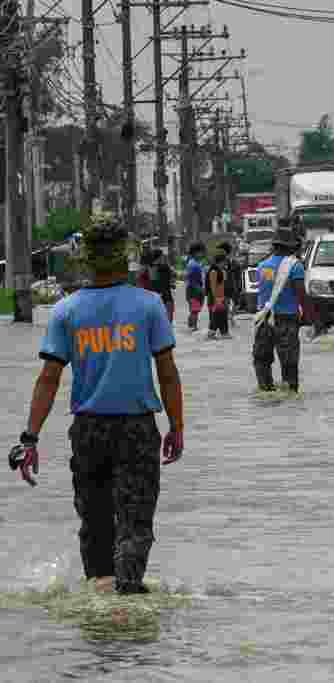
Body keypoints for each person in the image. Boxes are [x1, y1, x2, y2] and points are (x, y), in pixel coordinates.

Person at [9, 214, 184, 594]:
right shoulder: (150, 305)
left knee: (96, 523)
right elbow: (167, 374)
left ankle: (101, 610)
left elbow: (48, 380)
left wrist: (30, 438)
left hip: (88, 431)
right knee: (135, 522)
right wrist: (177, 426)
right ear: (127, 257)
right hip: (138, 429)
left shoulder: (67, 310)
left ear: (85, 258)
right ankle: (128, 598)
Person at [253, 230, 306, 392]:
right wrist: (310, 316)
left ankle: (265, 388)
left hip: (264, 319)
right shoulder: (295, 266)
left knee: (262, 358)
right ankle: (290, 391)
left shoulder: (262, 266)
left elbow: (261, 293)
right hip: (287, 319)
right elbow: (301, 294)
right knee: (289, 361)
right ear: (290, 247)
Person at [205, 249, 231, 339]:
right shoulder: (213, 272)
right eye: (224, 262)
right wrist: (217, 299)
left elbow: (223, 284)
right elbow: (213, 287)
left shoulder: (221, 271)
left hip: (221, 297)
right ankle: (211, 333)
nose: (225, 264)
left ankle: (224, 332)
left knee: (222, 315)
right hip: (215, 297)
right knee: (216, 316)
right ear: (220, 262)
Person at [147, 249, 176, 323]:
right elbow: (171, 282)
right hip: (165, 295)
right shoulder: (165, 267)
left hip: (153, 295)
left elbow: (152, 281)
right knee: (168, 318)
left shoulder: (149, 267)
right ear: (160, 257)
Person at [185, 243, 206, 331]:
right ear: (195, 253)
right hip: (194, 290)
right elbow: (191, 279)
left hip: (194, 289)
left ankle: (191, 323)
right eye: (201, 252)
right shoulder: (193, 264)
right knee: (195, 309)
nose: (202, 254)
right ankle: (194, 326)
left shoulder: (196, 263)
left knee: (195, 309)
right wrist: (200, 289)